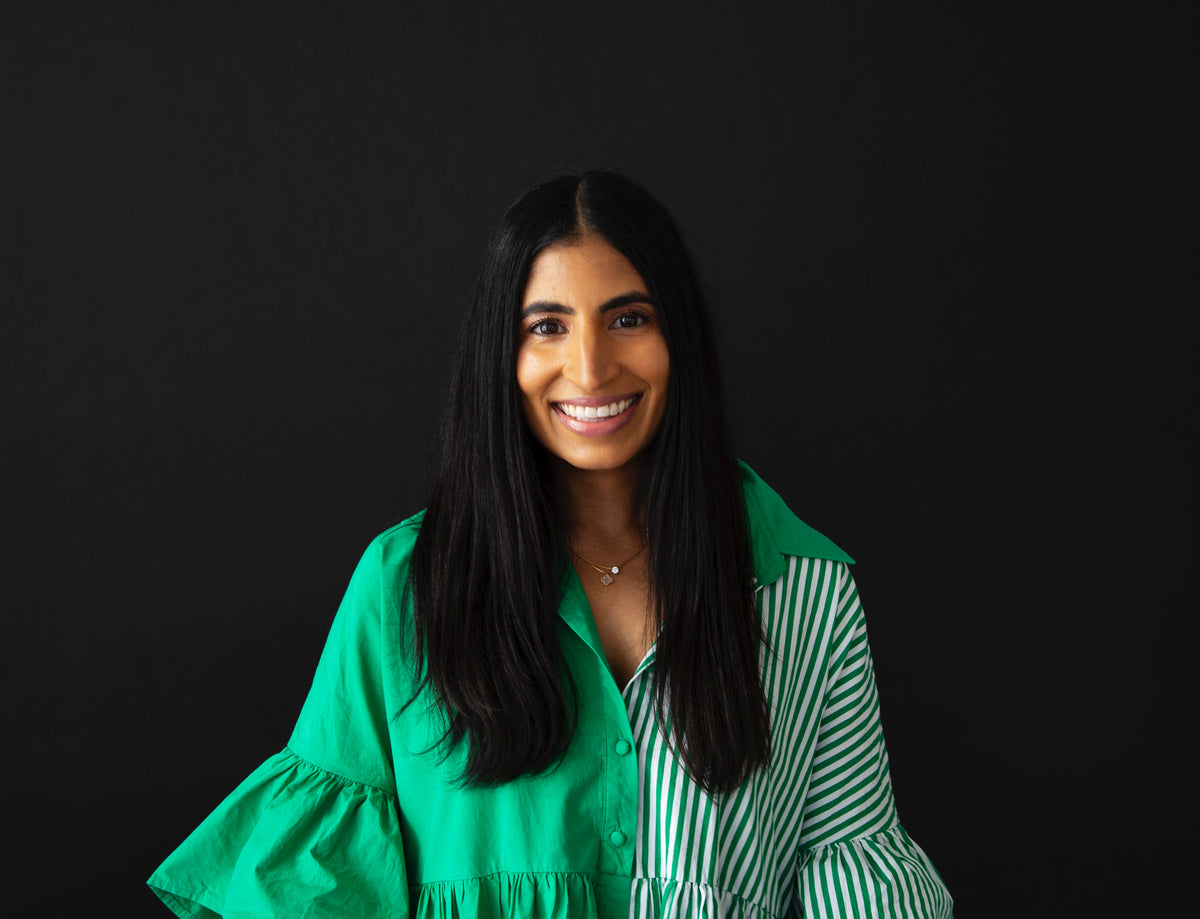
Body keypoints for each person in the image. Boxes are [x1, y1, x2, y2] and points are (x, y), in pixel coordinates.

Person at [147, 169, 953, 918]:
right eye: (547, 326)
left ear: (681, 340)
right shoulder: (405, 586)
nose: (591, 366)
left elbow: (852, 871)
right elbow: (319, 888)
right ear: (503, 354)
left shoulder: (802, 587)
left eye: (629, 317)